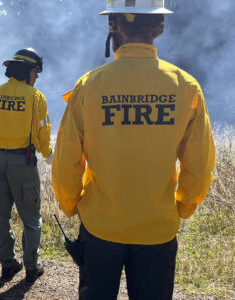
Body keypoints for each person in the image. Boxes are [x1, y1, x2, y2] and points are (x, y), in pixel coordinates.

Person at [52, 1, 215, 299]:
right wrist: (182, 207)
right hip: (158, 229)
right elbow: (200, 164)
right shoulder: (186, 86)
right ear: (159, 27)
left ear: (114, 26)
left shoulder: (89, 86)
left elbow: (66, 160)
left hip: (101, 228)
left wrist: (70, 203)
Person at [0, 48, 52, 283]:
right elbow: (42, 132)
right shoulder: (35, 96)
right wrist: (49, 155)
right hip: (22, 161)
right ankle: (31, 267)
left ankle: (8, 265)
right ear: (28, 71)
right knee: (31, 217)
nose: (37, 77)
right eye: (36, 72)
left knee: (2, 215)